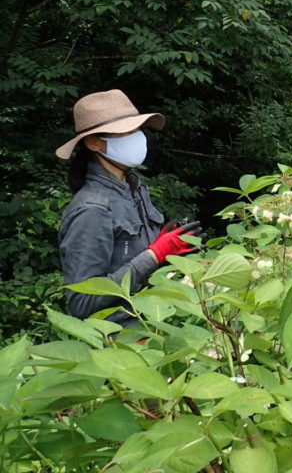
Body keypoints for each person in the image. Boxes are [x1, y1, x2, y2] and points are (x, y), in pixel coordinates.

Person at [55, 89, 201, 325]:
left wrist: (165, 248)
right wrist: (154, 255)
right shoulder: (92, 209)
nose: (137, 137)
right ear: (93, 143)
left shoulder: (135, 189)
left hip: (153, 323)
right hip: (119, 343)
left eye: (136, 129)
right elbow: (81, 303)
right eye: (126, 131)